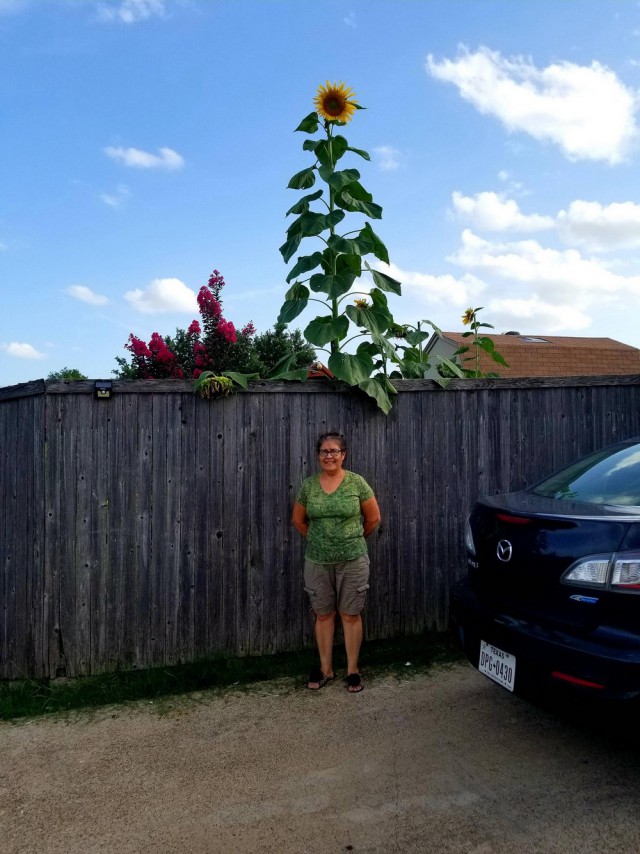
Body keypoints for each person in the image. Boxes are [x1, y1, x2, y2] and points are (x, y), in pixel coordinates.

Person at [291, 431, 381, 693]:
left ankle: (353, 671)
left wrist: (353, 539)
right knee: (323, 614)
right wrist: (320, 540)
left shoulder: (357, 483)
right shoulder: (308, 486)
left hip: (353, 560)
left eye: (334, 451)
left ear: (343, 455)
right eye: (324, 451)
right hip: (317, 561)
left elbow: (373, 518)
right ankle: (325, 669)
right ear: (318, 456)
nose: (328, 456)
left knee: (351, 614)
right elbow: (298, 520)